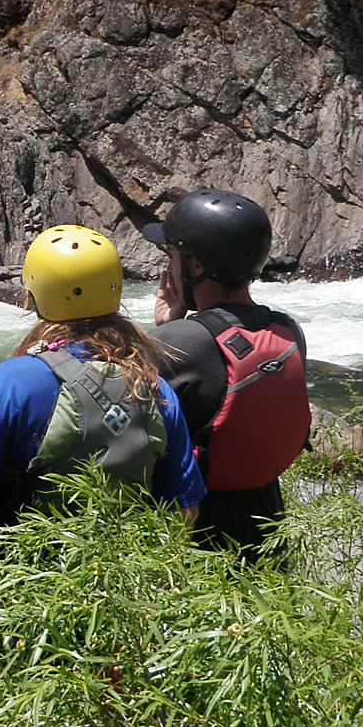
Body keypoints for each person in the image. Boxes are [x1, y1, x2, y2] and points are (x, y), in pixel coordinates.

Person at [0, 224, 205, 727]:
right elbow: (184, 507)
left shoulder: (16, 378)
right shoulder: (155, 385)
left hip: (31, 605)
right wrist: (147, 604)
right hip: (120, 606)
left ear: (33, 295)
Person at [143, 189, 310, 562]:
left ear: (196, 266)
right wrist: (172, 328)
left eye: (172, 256)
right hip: (267, 522)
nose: (169, 267)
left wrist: (165, 331)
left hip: (200, 532)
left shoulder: (182, 341)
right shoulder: (288, 331)